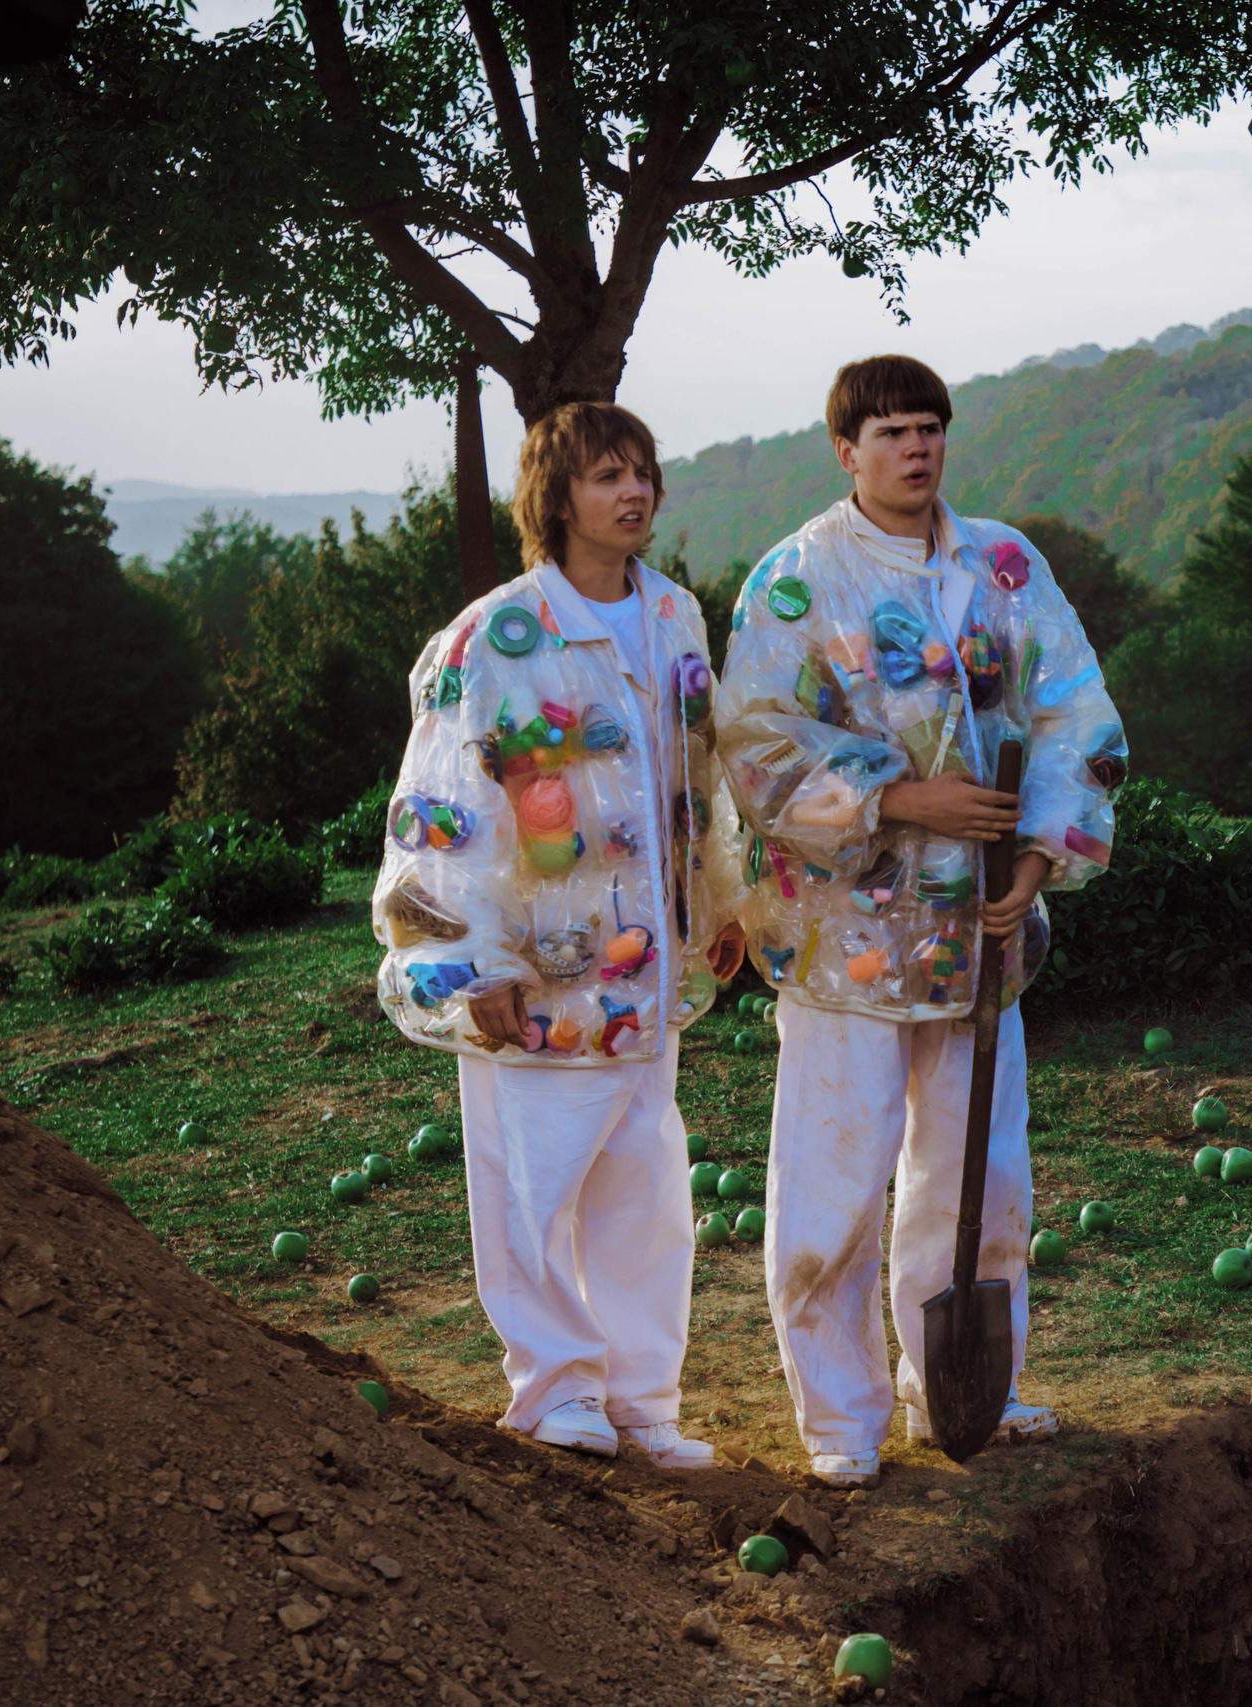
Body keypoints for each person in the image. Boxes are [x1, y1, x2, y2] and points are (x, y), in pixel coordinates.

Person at [713, 354, 1128, 1487]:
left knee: (981, 1179)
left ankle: (953, 1386)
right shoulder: (794, 582)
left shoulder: (1003, 564)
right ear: (845, 449)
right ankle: (839, 1417)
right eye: (891, 431)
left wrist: (1037, 856)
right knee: (834, 1180)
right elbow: (755, 744)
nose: (916, 448)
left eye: (930, 428)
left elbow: (1071, 708)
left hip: (982, 933)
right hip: (844, 935)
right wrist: (901, 799)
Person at [368, 401, 745, 1469]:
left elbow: (696, 777)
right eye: (603, 477)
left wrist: (720, 906)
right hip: (535, 973)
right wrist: (467, 960)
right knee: (532, 1189)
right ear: (556, 498)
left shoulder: (674, 616)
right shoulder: (496, 635)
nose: (631, 493)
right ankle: (554, 1393)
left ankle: (640, 1402)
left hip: (647, 969)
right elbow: (440, 803)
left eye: (641, 473)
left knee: (646, 1195)